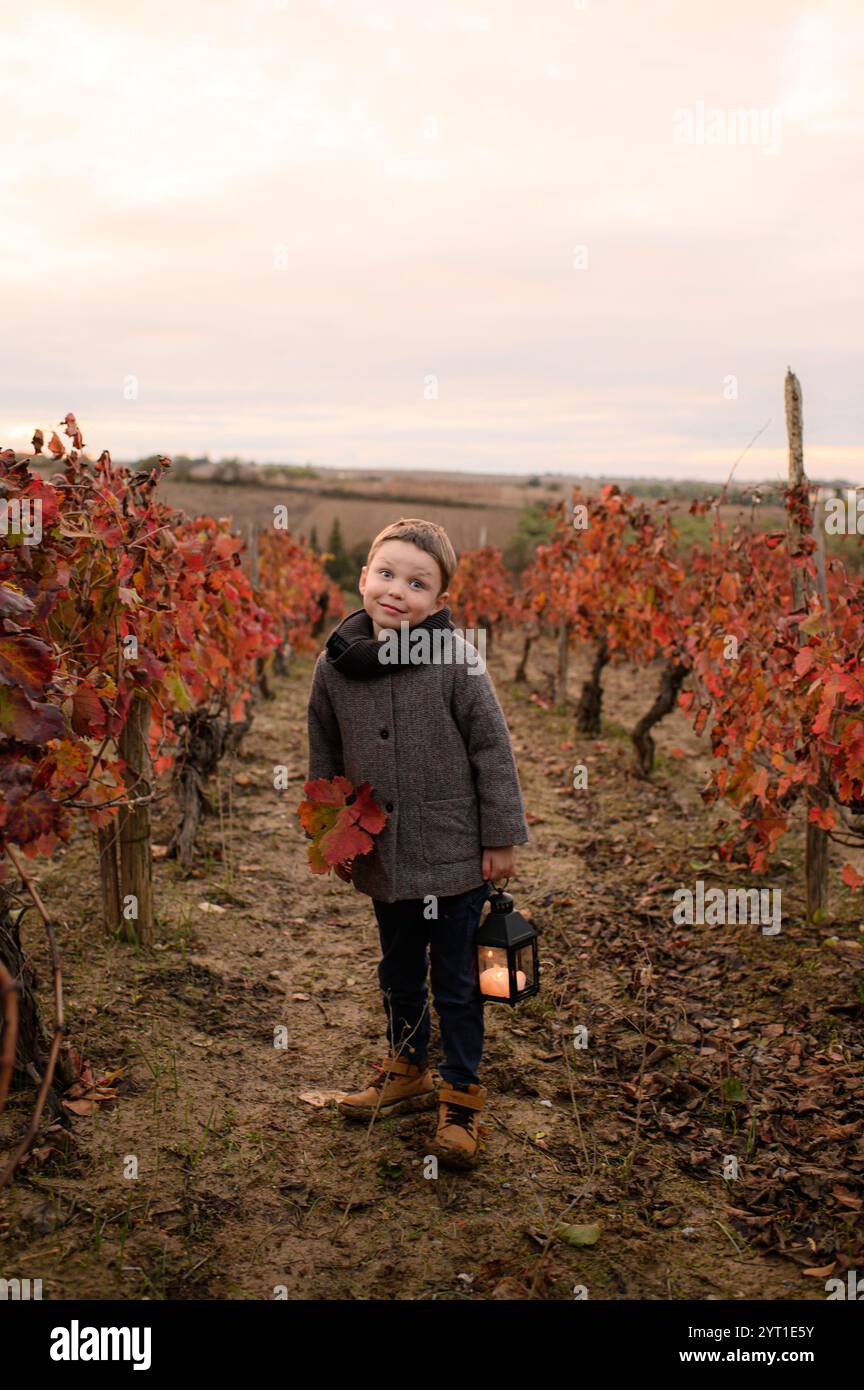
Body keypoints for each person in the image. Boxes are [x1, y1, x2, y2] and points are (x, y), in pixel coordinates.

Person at [306, 517, 530, 1168]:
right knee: (398, 970)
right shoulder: (335, 664)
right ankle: (407, 1065)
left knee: (458, 981)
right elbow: (323, 752)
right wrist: (333, 837)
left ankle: (461, 1093)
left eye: (416, 582)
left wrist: (501, 835)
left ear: (439, 601)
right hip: (382, 855)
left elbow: (492, 750)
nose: (396, 590)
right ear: (362, 578)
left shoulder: (456, 660)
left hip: (456, 855)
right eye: (386, 573)